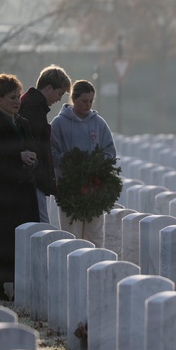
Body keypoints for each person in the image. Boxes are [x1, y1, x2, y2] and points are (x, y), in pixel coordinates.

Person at [0, 74, 40, 301]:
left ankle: (22, 281)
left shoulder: (23, 124)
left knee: (23, 237)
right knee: (2, 238)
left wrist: (33, 159)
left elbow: (35, 149)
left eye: (18, 97)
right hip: (3, 192)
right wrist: (18, 157)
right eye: (12, 97)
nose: (17, 101)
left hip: (24, 191)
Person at [50, 80, 117, 247]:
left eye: (91, 101)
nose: (88, 105)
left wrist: (98, 164)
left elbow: (110, 151)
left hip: (94, 189)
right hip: (69, 190)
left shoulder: (98, 123)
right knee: (71, 237)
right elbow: (51, 154)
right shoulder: (59, 124)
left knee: (95, 236)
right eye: (84, 101)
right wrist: (69, 161)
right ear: (73, 99)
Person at [19, 65, 71, 222]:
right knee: (40, 225)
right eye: (59, 93)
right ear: (49, 88)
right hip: (31, 178)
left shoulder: (34, 105)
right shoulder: (32, 108)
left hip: (33, 177)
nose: (59, 99)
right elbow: (32, 144)